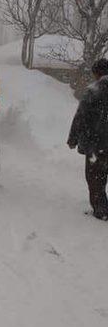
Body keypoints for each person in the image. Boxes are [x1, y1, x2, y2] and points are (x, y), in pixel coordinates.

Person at [67, 58, 108, 220]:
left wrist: (73, 138)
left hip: (96, 145)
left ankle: (102, 210)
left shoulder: (93, 91)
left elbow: (81, 117)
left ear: (97, 73)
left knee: (95, 178)